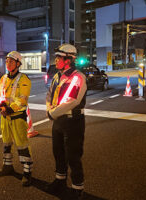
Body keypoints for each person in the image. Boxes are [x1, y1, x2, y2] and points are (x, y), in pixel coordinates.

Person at [46, 44, 87, 200]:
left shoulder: (78, 77)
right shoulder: (57, 76)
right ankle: (60, 181)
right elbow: (50, 95)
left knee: (73, 155)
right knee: (58, 153)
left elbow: (72, 101)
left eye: (59, 58)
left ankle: (77, 188)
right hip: (58, 120)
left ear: (69, 59)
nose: (56, 60)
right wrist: (50, 109)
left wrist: (53, 113)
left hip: (73, 121)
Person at [0, 51, 33, 187]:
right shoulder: (4, 78)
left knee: (22, 144)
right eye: (6, 61)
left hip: (17, 117)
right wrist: (0, 106)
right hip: (5, 117)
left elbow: (22, 99)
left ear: (18, 63)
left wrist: (9, 109)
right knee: (6, 143)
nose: (8, 63)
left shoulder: (24, 79)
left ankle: (27, 172)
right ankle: (8, 167)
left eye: (11, 61)